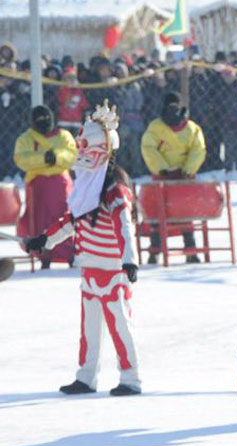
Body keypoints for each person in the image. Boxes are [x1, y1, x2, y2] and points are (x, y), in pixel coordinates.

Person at [24, 101, 141, 396]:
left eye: (87, 147)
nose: (82, 153)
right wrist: (44, 240)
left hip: (113, 271)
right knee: (89, 330)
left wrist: (130, 261)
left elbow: (125, 227)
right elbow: (71, 220)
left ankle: (130, 378)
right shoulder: (86, 186)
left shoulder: (115, 190)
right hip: (89, 269)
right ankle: (86, 376)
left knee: (120, 326)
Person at [140, 91, 206, 264]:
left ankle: (191, 251)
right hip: (162, 178)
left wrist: (188, 170)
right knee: (157, 214)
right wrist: (162, 169)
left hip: (184, 179)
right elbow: (148, 148)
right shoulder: (155, 128)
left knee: (185, 213)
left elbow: (198, 150)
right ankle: (155, 251)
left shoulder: (192, 128)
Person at [14, 105, 77, 268]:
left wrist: (55, 157)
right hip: (37, 186)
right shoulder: (25, 138)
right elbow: (21, 158)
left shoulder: (64, 135)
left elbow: (72, 154)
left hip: (61, 185)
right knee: (38, 221)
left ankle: (68, 253)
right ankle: (43, 255)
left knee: (64, 218)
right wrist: (43, 158)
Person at [56, 67, 90, 136]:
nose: (71, 80)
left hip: (76, 122)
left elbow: (84, 104)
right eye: (68, 78)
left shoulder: (79, 92)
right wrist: (67, 88)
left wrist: (78, 89)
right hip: (64, 121)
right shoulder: (62, 90)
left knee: (76, 140)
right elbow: (62, 100)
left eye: (72, 78)